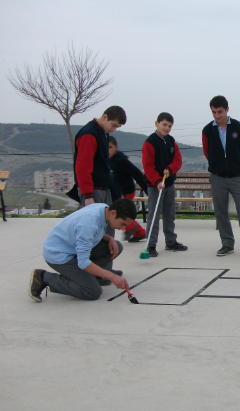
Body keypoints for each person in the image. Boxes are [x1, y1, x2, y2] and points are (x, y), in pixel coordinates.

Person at [28, 198, 136, 302]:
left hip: (72, 248)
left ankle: (92, 277)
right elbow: (83, 262)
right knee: (92, 291)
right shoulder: (88, 223)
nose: (122, 229)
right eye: (122, 224)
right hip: (58, 254)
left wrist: (109, 238)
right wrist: (112, 276)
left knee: (116, 246)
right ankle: (43, 277)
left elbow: (91, 231)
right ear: (113, 213)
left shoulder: (103, 209)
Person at [202, 95, 240, 256]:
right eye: (213, 112)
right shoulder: (207, 130)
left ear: (227, 110)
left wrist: (239, 167)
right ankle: (227, 244)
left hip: (237, 177)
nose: (216, 116)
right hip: (217, 177)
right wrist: (218, 166)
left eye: (220, 112)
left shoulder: (238, 127)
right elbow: (207, 152)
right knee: (221, 213)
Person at [72, 106, 127, 239]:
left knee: (107, 229)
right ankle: (92, 259)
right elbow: (82, 167)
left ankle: (106, 257)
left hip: (104, 187)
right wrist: (88, 195)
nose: (113, 129)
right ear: (105, 117)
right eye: (113, 125)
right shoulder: (89, 134)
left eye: (116, 127)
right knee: (94, 231)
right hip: (93, 190)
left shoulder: (103, 132)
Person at [142, 112, 188, 257]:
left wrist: (170, 169)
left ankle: (170, 241)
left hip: (169, 183)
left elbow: (177, 160)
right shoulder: (149, 143)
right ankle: (150, 245)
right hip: (155, 185)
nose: (167, 128)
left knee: (169, 214)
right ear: (157, 123)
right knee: (154, 215)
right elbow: (148, 166)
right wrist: (157, 181)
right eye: (164, 125)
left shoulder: (171, 141)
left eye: (169, 126)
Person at [108, 136, 147, 242]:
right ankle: (139, 232)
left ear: (116, 147)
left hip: (127, 190)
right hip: (117, 190)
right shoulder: (105, 160)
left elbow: (136, 173)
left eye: (110, 147)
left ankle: (134, 229)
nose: (108, 150)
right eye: (105, 147)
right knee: (120, 213)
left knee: (123, 213)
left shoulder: (121, 160)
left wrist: (146, 189)